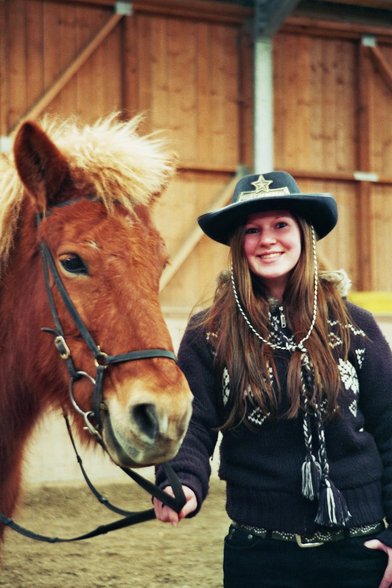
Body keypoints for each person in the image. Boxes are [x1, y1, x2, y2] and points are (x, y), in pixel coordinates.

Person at [154, 171, 392, 588]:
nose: (267, 239)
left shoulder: (356, 325)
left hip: (359, 549)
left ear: (303, 234)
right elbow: (193, 421)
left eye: (280, 225)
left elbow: (390, 426)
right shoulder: (207, 332)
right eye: (252, 230)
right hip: (258, 553)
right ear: (238, 243)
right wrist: (184, 480)